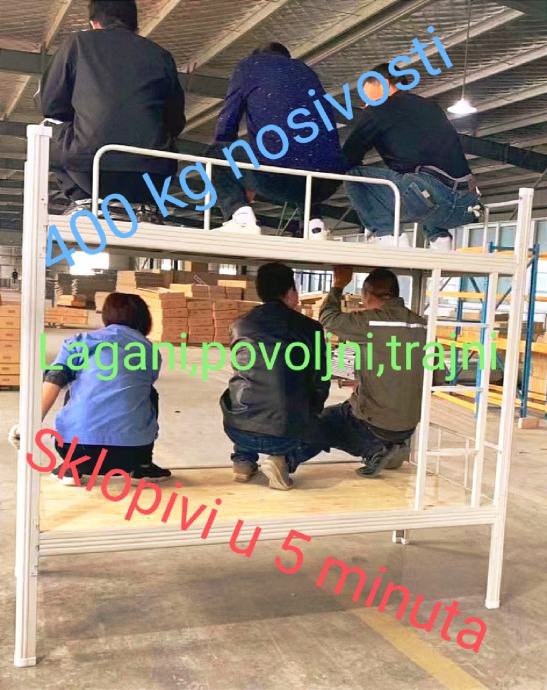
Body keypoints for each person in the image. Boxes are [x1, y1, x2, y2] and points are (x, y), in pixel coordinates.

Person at [39, 0, 186, 216]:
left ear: (94, 23)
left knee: (47, 127)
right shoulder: (161, 55)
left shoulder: (78, 43)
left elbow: (51, 105)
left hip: (90, 171)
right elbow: (176, 121)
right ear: (135, 25)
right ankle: (144, 206)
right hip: (152, 176)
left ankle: (83, 199)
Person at [209, 42, 348, 238]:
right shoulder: (307, 72)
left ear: (257, 56)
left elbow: (227, 125)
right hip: (327, 184)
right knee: (306, 151)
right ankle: (314, 224)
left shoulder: (249, 66)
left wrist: (237, 177)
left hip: (276, 178)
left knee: (217, 152)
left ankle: (240, 217)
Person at [342, 63, 481, 250]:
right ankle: (439, 238)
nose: (365, 103)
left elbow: (348, 156)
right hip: (467, 204)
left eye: (366, 95)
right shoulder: (431, 107)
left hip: (433, 198)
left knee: (354, 175)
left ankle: (387, 234)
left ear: (383, 83)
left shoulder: (379, 108)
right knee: (423, 176)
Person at [40, 293, 170, 486]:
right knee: (149, 393)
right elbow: (143, 385)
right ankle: (142, 466)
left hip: (77, 450)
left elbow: (54, 379)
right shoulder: (148, 349)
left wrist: (30, 423)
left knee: (74, 390)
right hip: (131, 453)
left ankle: (71, 467)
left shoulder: (79, 341)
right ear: (144, 319)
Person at [220, 262, 330, 490]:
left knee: (245, 388)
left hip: (237, 428)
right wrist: (311, 414)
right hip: (284, 434)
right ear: (290, 292)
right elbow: (321, 381)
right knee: (327, 429)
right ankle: (284, 460)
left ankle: (243, 460)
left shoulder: (240, 325)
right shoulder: (310, 328)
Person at [319, 267, 426, 477]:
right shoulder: (422, 325)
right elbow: (436, 377)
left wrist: (338, 285)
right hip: (408, 426)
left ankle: (374, 449)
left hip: (375, 422)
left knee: (320, 423)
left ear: (367, 294)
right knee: (354, 409)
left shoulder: (370, 321)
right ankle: (389, 451)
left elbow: (328, 318)